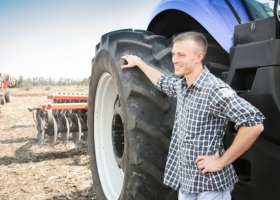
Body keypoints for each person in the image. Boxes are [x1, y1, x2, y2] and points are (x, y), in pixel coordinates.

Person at [121, 31, 265, 200]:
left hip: (209, 186)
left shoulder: (215, 90)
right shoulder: (182, 86)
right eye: (174, 54)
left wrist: (221, 162)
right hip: (187, 183)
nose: (174, 59)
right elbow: (162, 81)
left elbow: (254, 124)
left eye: (181, 55)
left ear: (198, 57)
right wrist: (139, 63)